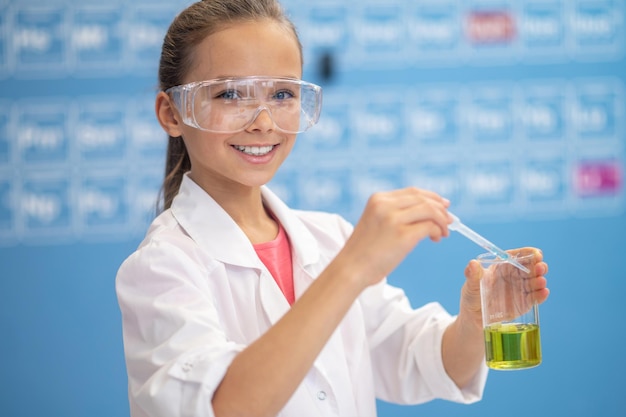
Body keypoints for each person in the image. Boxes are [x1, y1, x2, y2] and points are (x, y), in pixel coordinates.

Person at [115, 1, 550, 416]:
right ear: (171, 113)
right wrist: (351, 269)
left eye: (283, 93)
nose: (263, 121)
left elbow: (422, 364)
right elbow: (227, 406)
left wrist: (475, 322)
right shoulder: (161, 268)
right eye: (231, 94)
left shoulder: (327, 239)